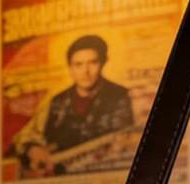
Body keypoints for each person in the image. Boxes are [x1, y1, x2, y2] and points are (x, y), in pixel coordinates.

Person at [12, 34, 134, 176]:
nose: (85, 71)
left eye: (92, 63)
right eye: (78, 65)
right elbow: (27, 135)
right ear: (70, 67)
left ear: (103, 62)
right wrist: (33, 149)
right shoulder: (57, 102)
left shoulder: (122, 95)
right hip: (60, 177)